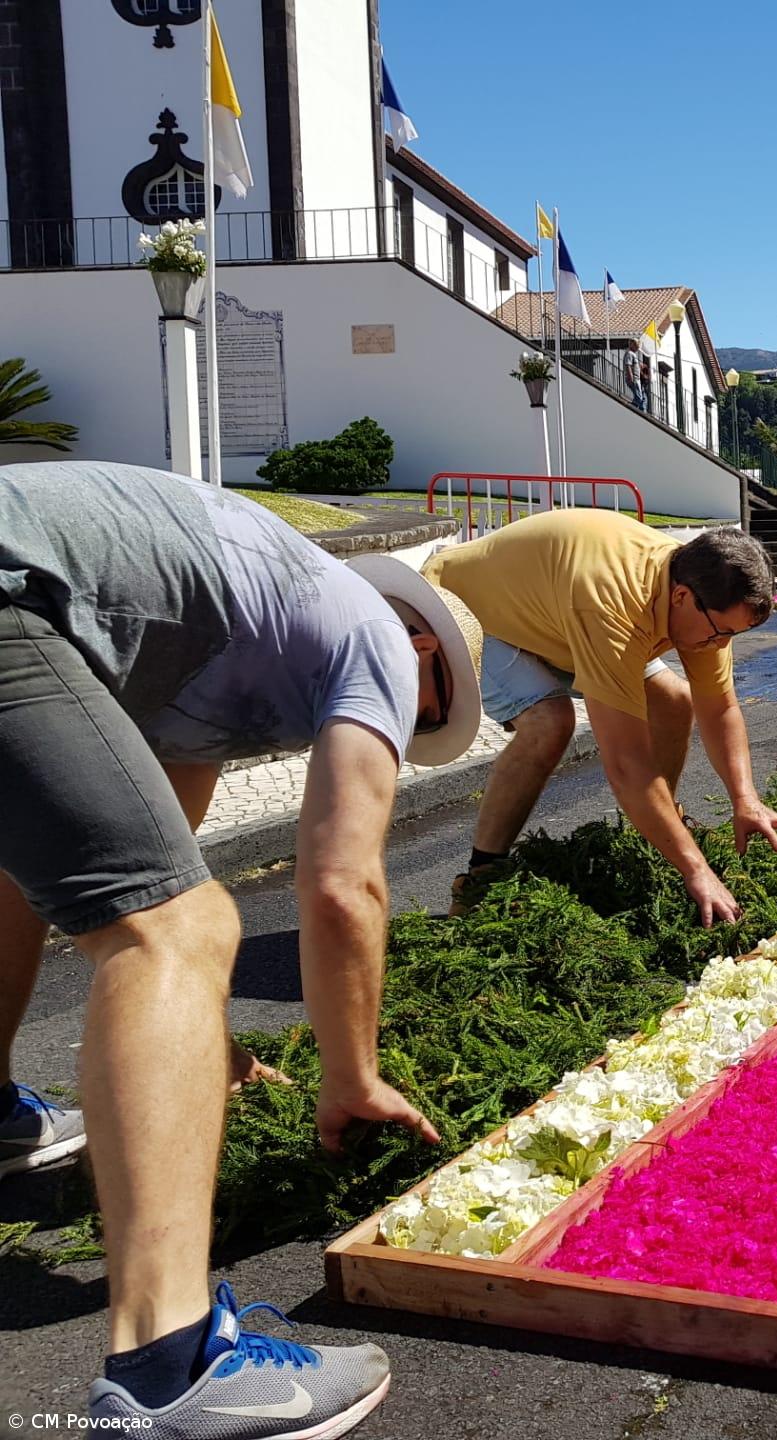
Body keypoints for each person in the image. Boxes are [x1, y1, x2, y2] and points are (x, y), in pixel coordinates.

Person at [0, 460, 485, 1438]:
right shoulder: (375, 640)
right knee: (186, 928)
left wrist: (204, 1046)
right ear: (423, 648)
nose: (408, 730)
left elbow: (141, 872)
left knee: (36, 877)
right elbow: (340, 883)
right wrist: (351, 1076)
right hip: (14, 589)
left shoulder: (225, 654)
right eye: (426, 714)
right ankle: (169, 1369)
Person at [427, 513, 777, 925]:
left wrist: (746, 801)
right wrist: (697, 870)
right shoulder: (613, 606)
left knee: (674, 702)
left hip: (556, 614)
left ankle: (659, 830)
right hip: (472, 610)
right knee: (550, 723)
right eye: (719, 633)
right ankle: (480, 878)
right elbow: (627, 764)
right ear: (680, 597)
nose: (720, 646)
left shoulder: (699, 597)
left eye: (733, 635)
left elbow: (720, 708)